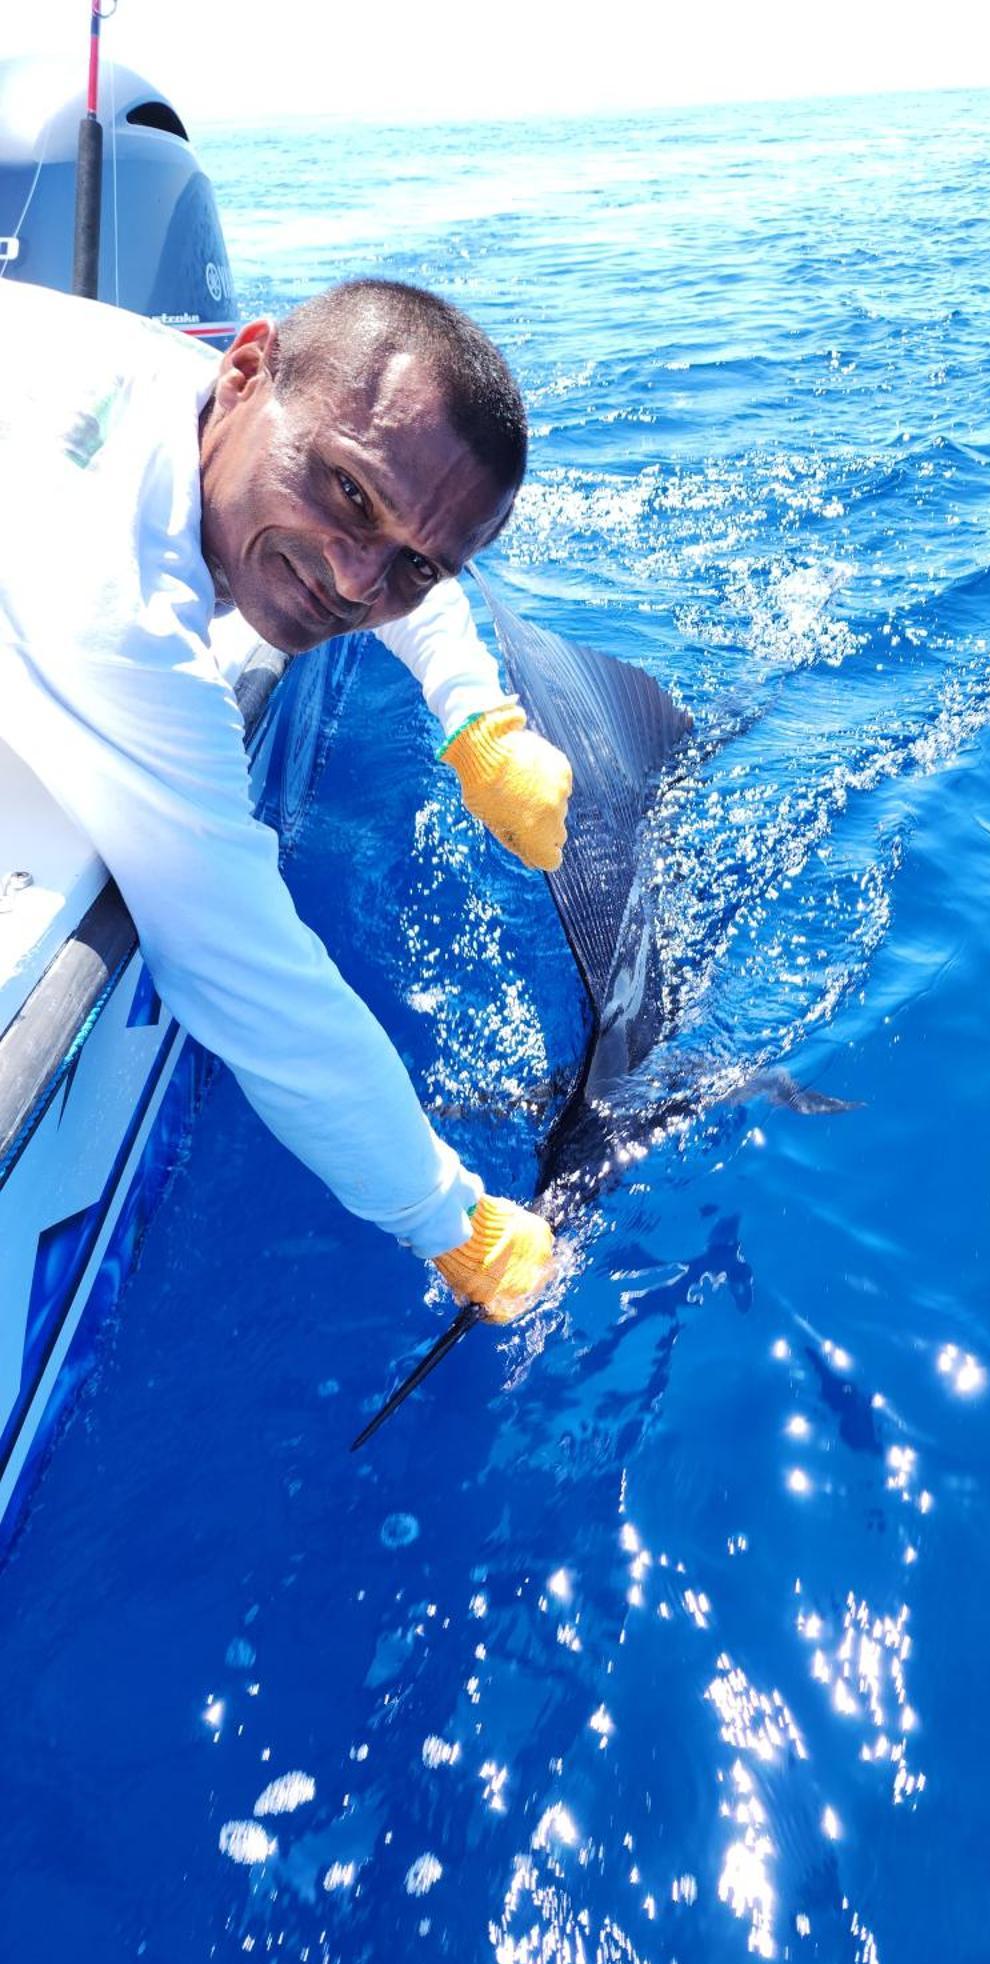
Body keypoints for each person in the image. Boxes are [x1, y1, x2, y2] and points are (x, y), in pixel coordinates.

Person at [0, 276, 572, 1322]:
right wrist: (454, 1222)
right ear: (250, 367)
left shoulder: (193, 386)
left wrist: (477, 719)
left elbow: (406, 525)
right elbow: (242, 969)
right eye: (348, 495)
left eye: (413, 568)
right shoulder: (118, 606)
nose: (359, 587)